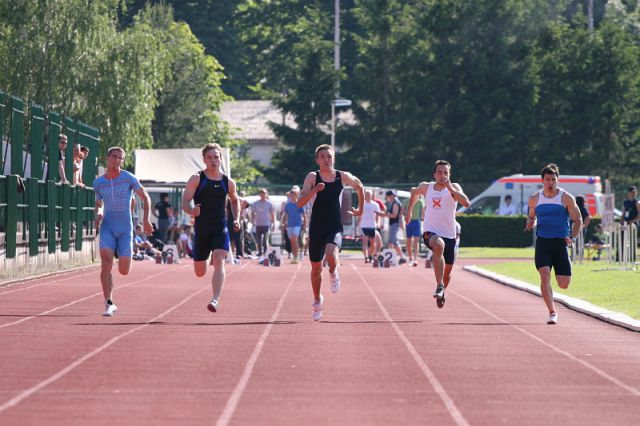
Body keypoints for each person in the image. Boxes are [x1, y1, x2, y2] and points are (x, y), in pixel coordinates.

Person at [297, 144, 364, 321]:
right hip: (317, 227)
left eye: (329, 156)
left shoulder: (342, 176)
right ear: (317, 160)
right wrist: (314, 191)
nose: (326, 159)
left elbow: (360, 187)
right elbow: (299, 203)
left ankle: (334, 273)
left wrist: (360, 209)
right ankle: (317, 300)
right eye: (323, 156)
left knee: (331, 253)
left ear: (334, 158)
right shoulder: (312, 177)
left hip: (335, 225)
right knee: (315, 269)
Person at [94, 147, 154, 317]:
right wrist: (98, 215)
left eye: (120, 158)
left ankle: (122, 253)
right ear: (107, 158)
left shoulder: (128, 178)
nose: (117, 160)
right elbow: (99, 204)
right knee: (106, 263)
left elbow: (146, 197)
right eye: (114, 157)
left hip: (125, 230)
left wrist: (145, 219)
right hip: (107, 227)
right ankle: (109, 303)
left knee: (124, 270)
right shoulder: (98, 183)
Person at [182, 143, 240, 313]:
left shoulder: (228, 182)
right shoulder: (197, 178)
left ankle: (215, 299)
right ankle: (205, 258)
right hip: (201, 229)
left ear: (221, 159)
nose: (213, 160)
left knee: (220, 259)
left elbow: (235, 200)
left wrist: (236, 219)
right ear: (204, 160)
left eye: (216, 157)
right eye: (210, 157)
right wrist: (192, 210)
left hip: (219, 227)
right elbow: (185, 201)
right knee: (200, 272)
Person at [406, 160, 470, 309]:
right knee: (438, 244)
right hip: (430, 232)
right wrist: (409, 211)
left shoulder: (454, 188)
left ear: (450, 174)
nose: (443, 175)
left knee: (447, 273)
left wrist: (450, 188)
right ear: (434, 174)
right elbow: (415, 194)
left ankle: (442, 290)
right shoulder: (426, 187)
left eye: (446, 173)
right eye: (440, 172)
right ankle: (439, 285)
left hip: (450, 235)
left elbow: (466, 203)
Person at [524, 163, 582, 325]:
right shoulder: (535, 198)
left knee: (563, 284)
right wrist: (530, 223)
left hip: (560, 243)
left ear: (557, 180)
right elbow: (531, 216)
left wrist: (573, 237)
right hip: (543, 242)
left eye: (553, 179)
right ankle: (552, 312)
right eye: (547, 179)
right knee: (544, 275)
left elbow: (578, 220)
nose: (551, 182)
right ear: (542, 180)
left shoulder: (566, 198)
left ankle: (554, 303)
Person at [381, 191, 408, 264]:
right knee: (395, 242)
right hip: (394, 224)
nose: (387, 199)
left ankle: (389, 259)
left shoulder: (395, 203)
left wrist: (384, 215)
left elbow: (394, 215)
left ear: (391, 196)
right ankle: (402, 258)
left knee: (390, 241)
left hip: (394, 224)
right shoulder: (394, 203)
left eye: (387, 197)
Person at [356, 189, 382, 263]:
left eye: (369, 195)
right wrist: (357, 226)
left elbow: (378, 215)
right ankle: (366, 257)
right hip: (364, 225)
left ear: (371, 196)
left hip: (372, 226)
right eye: (366, 194)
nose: (368, 196)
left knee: (372, 243)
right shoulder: (362, 204)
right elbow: (359, 215)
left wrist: (378, 223)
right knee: (365, 242)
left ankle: (370, 256)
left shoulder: (375, 205)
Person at [282, 186, 306, 263]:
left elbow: (304, 215)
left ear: (297, 195)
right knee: (292, 241)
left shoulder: (300, 203)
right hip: (289, 225)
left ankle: (296, 256)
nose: (293, 194)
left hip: (297, 225)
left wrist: (305, 225)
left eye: (295, 193)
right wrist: (284, 223)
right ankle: (295, 256)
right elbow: (286, 214)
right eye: (292, 193)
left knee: (294, 239)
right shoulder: (287, 204)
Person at [251, 188, 275, 259]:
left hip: (266, 224)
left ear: (266, 194)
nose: (263, 195)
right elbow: (253, 212)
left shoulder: (269, 203)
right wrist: (253, 221)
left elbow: (272, 214)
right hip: (258, 224)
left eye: (264, 193)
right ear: (259, 195)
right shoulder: (256, 203)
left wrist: (273, 224)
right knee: (258, 239)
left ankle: (265, 253)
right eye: (261, 194)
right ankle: (259, 252)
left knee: (265, 239)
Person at [403, 188, 424, 266]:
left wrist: (423, 219)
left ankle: (415, 259)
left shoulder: (419, 201)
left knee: (416, 241)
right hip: (408, 222)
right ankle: (410, 258)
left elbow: (422, 212)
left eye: (415, 192)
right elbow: (402, 211)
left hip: (416, 222)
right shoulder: (406, 201)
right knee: (408, 242)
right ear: (410, 192)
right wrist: (404, 216)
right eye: (412, 192)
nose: (413, 193)